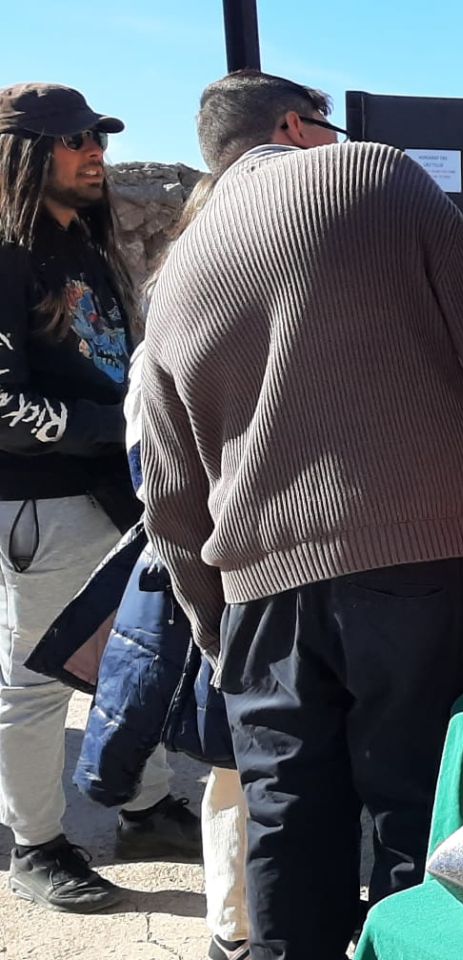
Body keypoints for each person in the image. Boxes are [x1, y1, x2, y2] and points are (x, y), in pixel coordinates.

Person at [137, 71, 463, 960]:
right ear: (295, 127)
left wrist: (214, 626)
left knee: (289, 826)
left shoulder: (177, 271)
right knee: (426, 808)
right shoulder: (379, 177)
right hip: (430, 550)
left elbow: (169, 491)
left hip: (260, 595)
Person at [0, 82, 200, 916]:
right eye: (75, 138)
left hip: (116, 493)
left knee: (134, 656)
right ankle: (36, 843)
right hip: (42, 500)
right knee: (38, 677)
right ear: (22, 152)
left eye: (98, 136)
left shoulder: (82, 239)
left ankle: (144, 807)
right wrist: (114, 421)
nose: (97, 152)